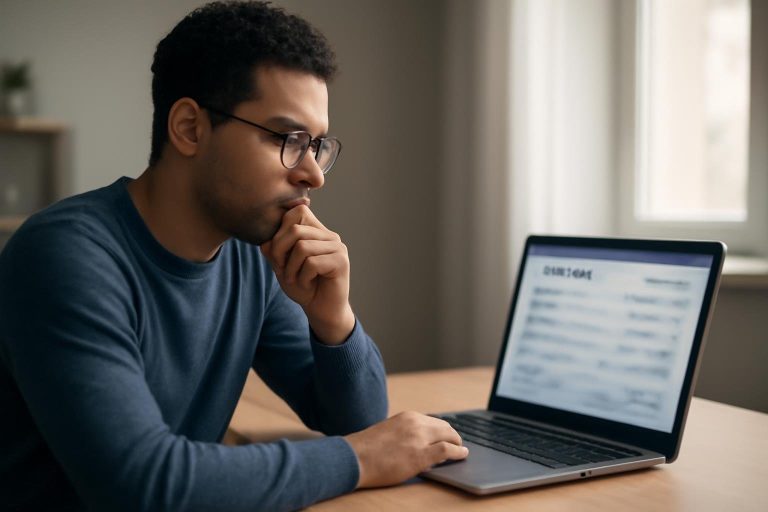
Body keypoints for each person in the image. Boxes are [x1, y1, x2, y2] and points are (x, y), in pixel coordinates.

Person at [0, 2, 468, 511]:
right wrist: (361, 459)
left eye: (316, 145)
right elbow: (139, 484)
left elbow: (358, 420)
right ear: (190, 129)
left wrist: (333, 318)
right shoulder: (66, 256)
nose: (313, 174)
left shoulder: (246, 257)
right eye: (288, 139)